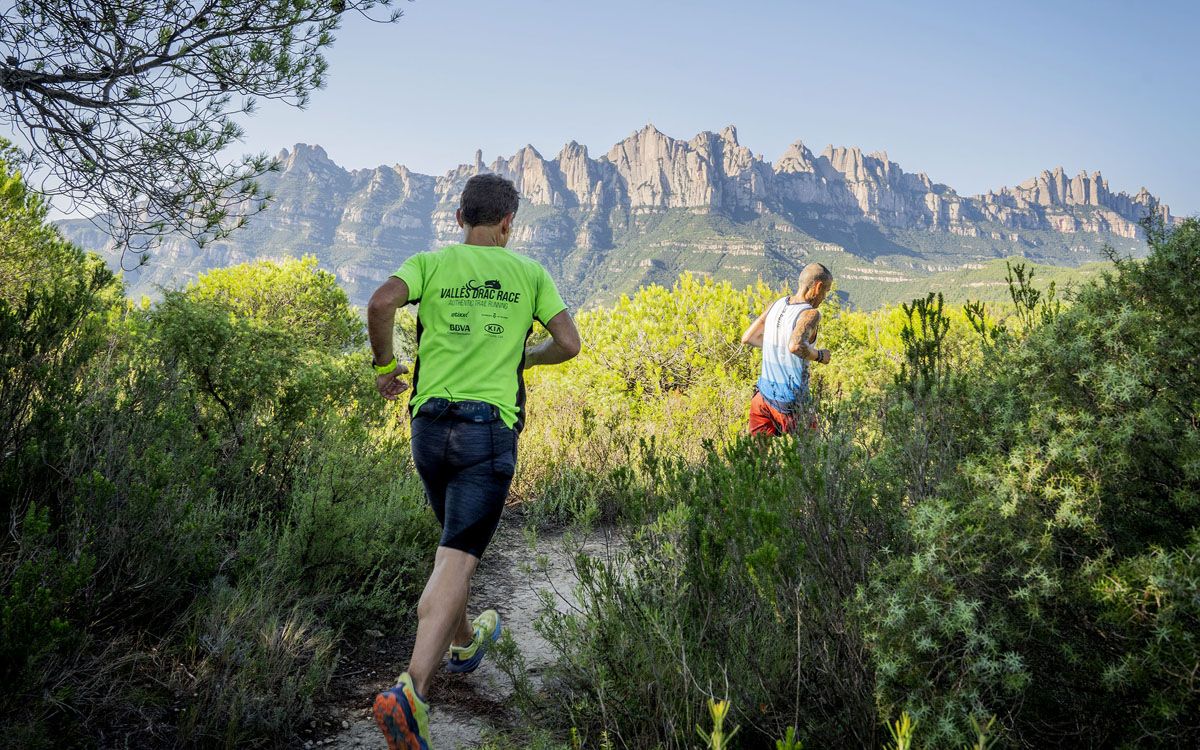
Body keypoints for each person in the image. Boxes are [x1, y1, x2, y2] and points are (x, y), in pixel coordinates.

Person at [365, 173, 581, 750]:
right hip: (487, 436)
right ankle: (410, 692)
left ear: (459, 217)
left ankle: (464, 637)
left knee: (451, 543)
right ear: (508, 224)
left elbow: (382, 302)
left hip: (428, 429)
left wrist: (385, 369)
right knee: (458, 557)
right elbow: (569, 343)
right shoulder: (530, 274)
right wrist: (526, 358)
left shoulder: (430, 264)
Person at [741, 263, 834, 435]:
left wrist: (777, 348)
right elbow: (795, 346)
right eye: (826, 291)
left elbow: (748, 337)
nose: (824, 296)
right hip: (791, 403)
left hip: (762, 396)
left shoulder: (776, 304)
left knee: (755, 459)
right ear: (818, 287)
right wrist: (820, 356)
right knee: (810, 456)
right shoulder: (811, 314)